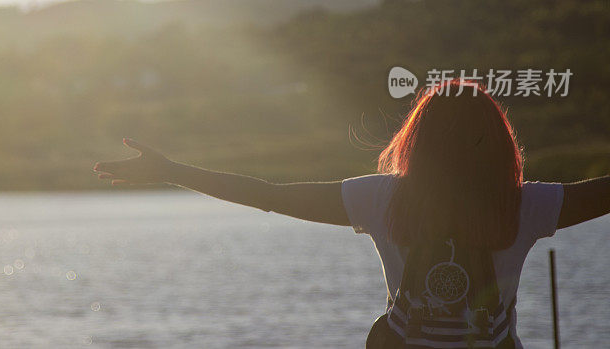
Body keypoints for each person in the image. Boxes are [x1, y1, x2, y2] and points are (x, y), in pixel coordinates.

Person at [92, 79, 610, 348]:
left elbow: (270, 194)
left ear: (419, 142)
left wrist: (172, 171)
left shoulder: (382, 200)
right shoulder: (524, 204)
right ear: (498, 143)